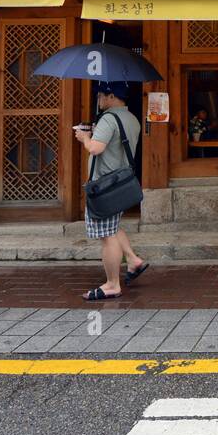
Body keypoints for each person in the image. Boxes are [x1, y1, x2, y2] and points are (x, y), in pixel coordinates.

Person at [75, 81, 148, 300]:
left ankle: (112, 284)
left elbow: (96, 148)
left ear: (111, 96)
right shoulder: (131, 118)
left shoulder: (108, 118)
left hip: (104, 187)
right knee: (113, 227)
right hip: (119, 184)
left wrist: (84, 137)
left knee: (106, 236)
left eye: (100, 96)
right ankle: (133, 260)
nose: (98, 100)